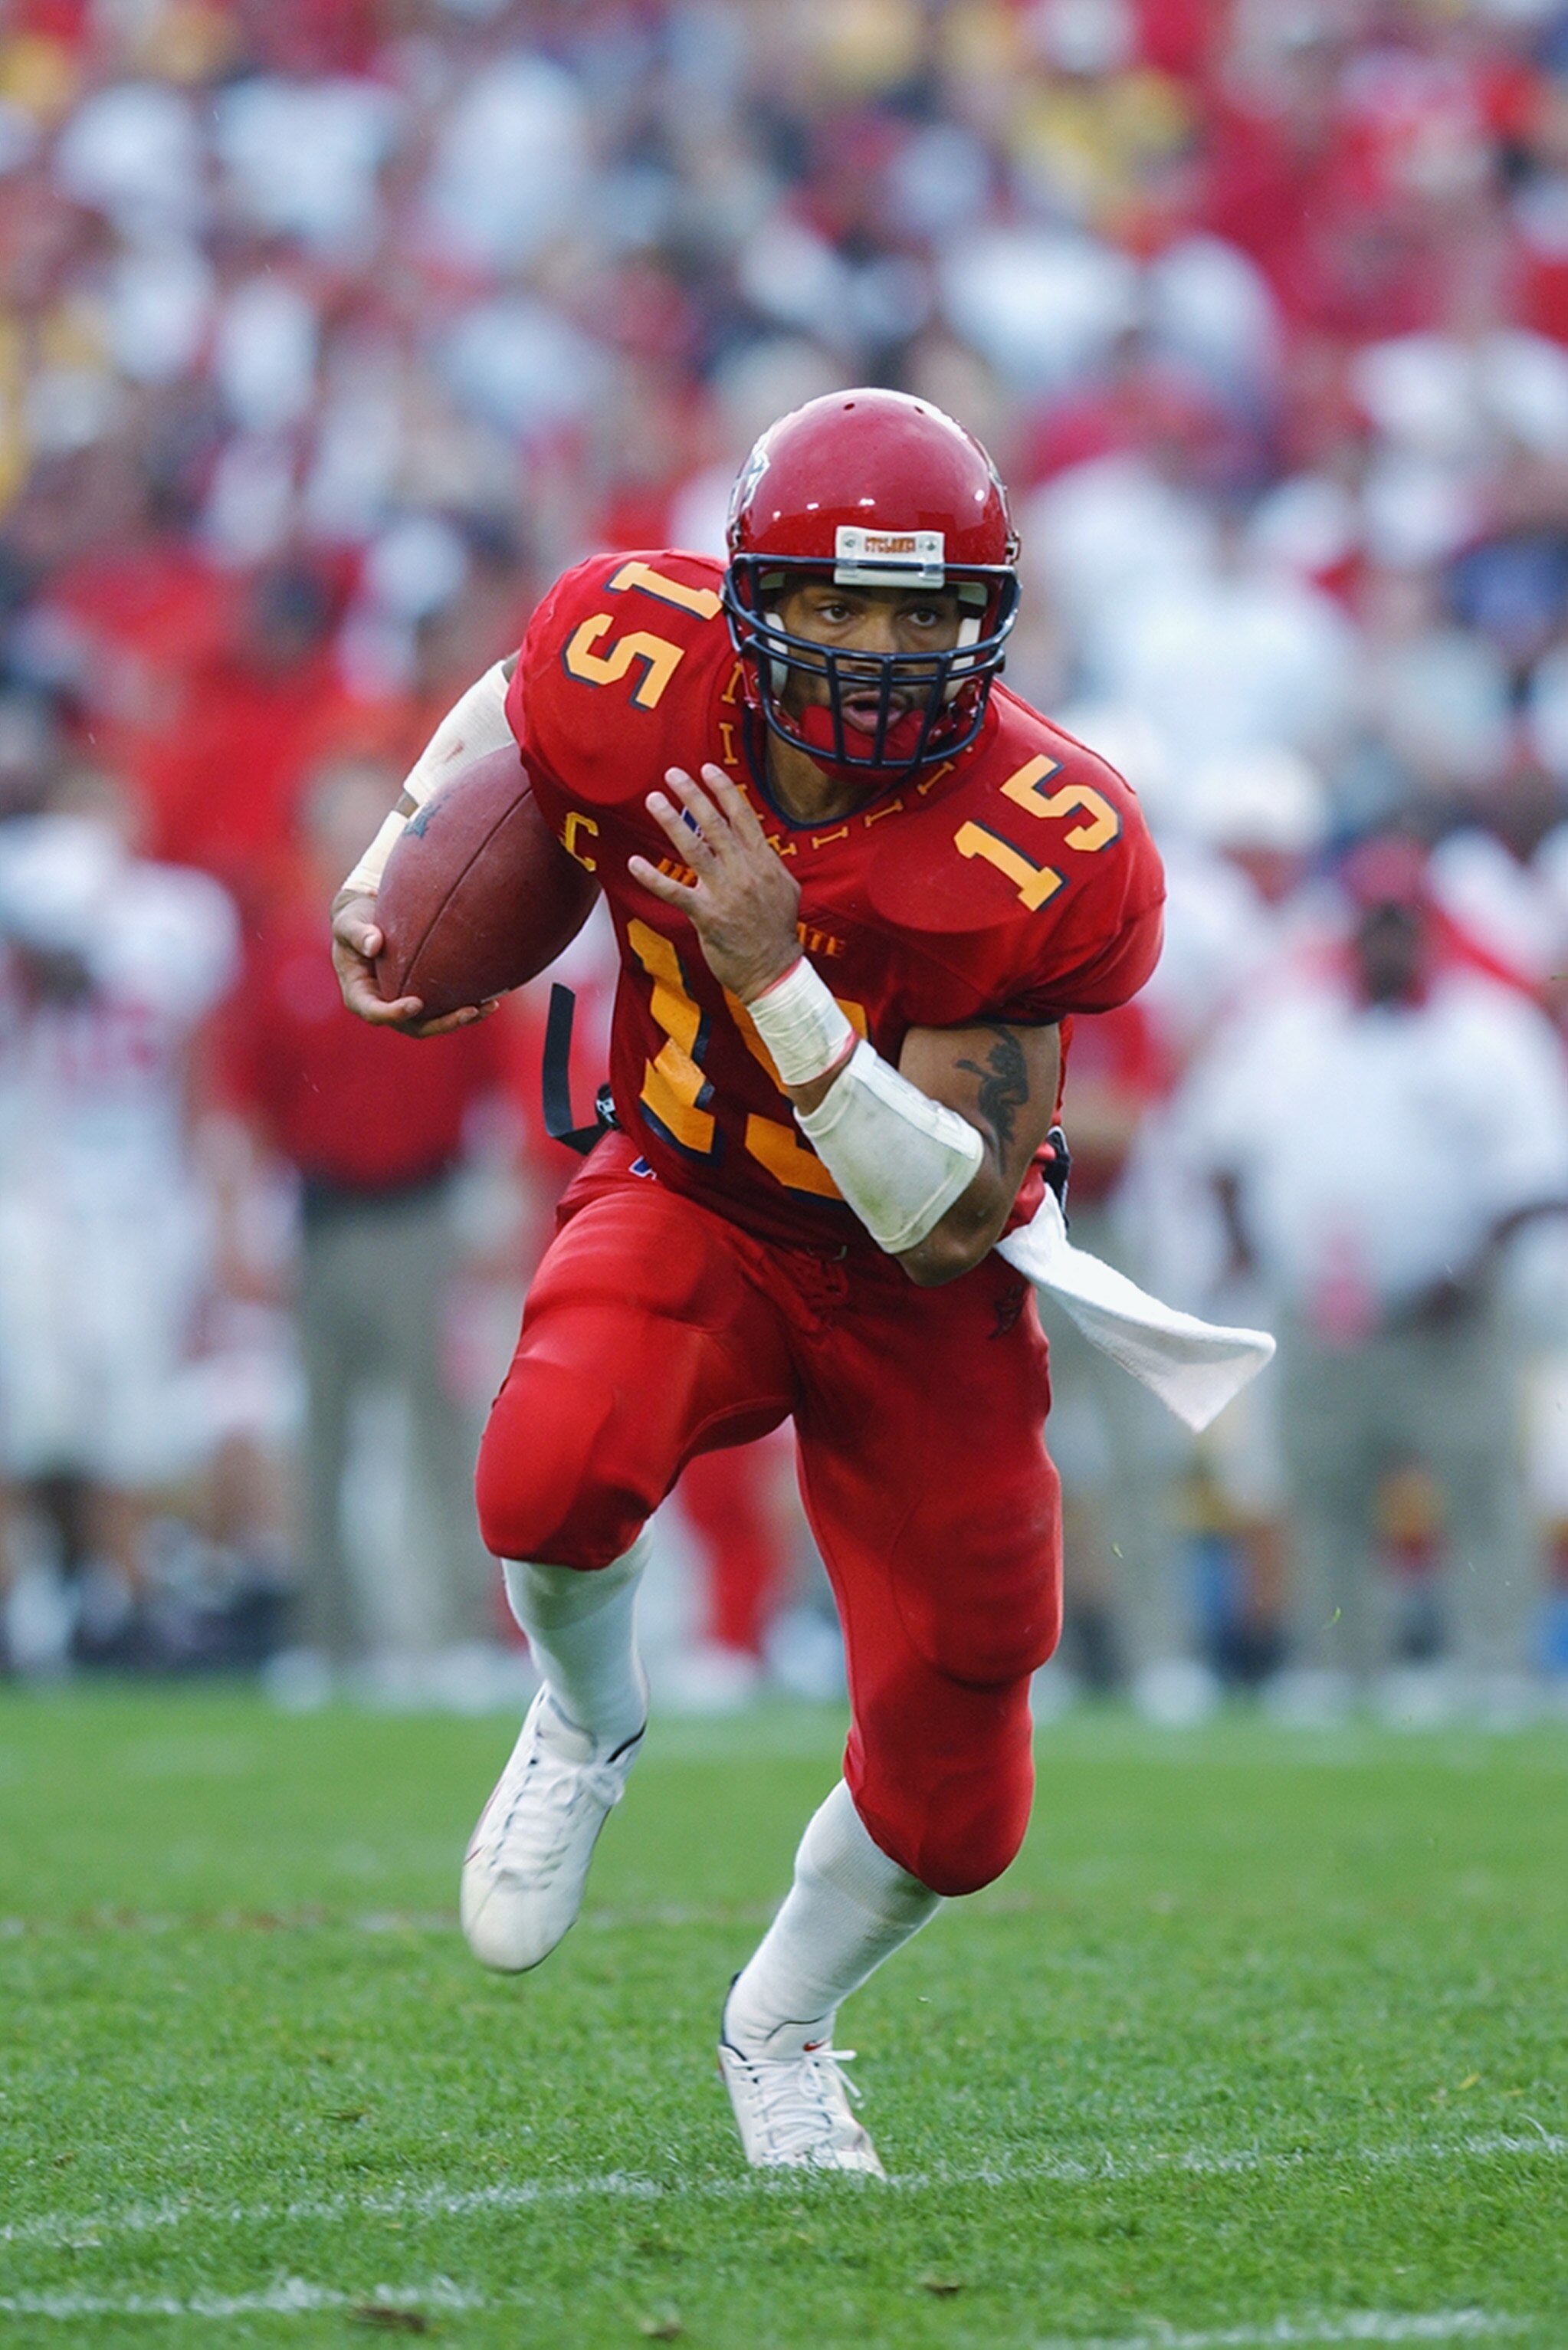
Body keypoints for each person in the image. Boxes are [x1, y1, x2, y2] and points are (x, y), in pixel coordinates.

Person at [330, 390, 1164, 2174]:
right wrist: (394, 855)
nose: (878, 651)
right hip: (691, 1192)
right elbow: (524, 702)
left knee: (960, 1801)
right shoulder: (643, 653)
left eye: (925, 613)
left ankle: (782, 2023)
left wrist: (777, 976)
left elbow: (940, 1216)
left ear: (989, 620)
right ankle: (587, 1713)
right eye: (841, 604)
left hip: (922, 1279)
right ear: (749, 595)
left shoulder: (1044, 833)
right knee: (545, 1468)